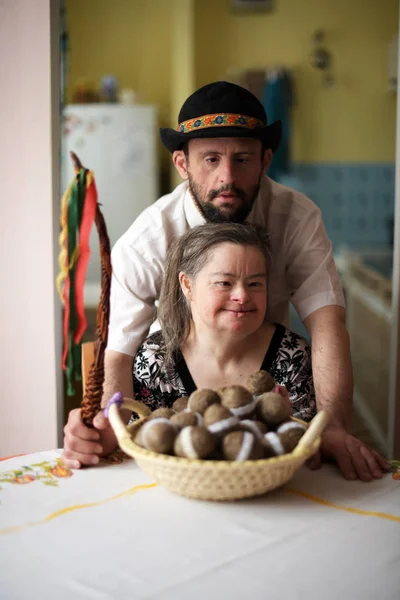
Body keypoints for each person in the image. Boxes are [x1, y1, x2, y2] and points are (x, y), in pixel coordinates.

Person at [63, 81, 389, 481]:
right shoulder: (147, 239)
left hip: (270, 378)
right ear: (182, 163)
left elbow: (327, 323)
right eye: (211, 159)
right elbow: (119, 352)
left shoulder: (298, 218)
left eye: (243, 159)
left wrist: (334, 424)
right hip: (171, 385)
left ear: (266, 160)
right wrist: (110, 427)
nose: (227, 177)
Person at [63, 223, 317, 463]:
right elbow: (144, 449)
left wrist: (281, 420)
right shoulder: (156, 360)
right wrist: (93, 433)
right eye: (224, 283)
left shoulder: (293, 356)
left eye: (255, 284)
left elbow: (302, 454)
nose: (242, 295)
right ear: (187, 285)